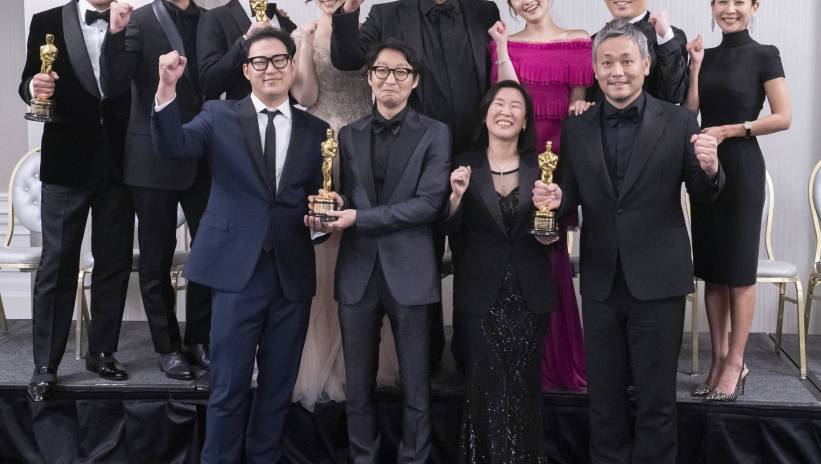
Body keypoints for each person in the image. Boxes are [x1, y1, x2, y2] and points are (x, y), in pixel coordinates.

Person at [534, 19, 724, 464]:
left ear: (646, 64)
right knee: (604, 399)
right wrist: (558, 199)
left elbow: (703, 193)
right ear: (595, 69)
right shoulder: (577, 126)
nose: (616, 71)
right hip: (601, 279)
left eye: (626, 61)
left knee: (657, 400)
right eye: (606, 62)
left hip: (659, 280)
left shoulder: (679, 120)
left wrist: (712, 169)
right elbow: (570, 191)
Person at [151, 28, 330, 463]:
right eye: (259, 62)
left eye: (279, 60)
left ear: (292, 65)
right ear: (246, 71)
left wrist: (326, 214)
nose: (271, 69)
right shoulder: (217, 115)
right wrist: (166, 90)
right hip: (236, 273)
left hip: (291, 273)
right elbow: (174, 146)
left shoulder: (317, 130)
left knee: (277, 388)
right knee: (228, 385)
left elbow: (319, 196)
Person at [330, 0, 501, 368]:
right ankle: (428, 361)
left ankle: (470, 359)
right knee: (420, 264)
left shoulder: (484, 11)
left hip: (476, 159)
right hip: (414, 160)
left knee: (476, 262)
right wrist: (347, 11)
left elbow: (494, 77)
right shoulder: (386, 14)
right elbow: (347, 59)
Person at [307, 39, 450, 464]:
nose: (391, 80)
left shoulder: (436, 132)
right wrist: (333, 205)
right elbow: (346, 195)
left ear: (414, 81)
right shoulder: (348, 135)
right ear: (369, 78)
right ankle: (363, 457)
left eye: (401, 72)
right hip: (357, 271)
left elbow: (429, 205)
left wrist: (359, 218)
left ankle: (414, 458)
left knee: (416, 386)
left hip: (411, 272)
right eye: (382, 71)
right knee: (357, 387)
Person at [21, 0, 134, 403]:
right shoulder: (46, 21)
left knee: (113, 263)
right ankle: (45, 366)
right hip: (66, 163)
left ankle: (101, 353)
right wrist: (34, 87)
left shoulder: (132, 22)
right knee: (57, 265)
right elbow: (26, 81)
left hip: (121, 164)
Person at [289, 0, 399, 411]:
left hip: (366, 141)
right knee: (324, 250)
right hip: (323, 145)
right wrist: (303, 45)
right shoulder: (303, 32)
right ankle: (324, 358)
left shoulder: (370, 30)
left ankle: (364, 357)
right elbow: (305, 95)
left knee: (364, 242)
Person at [443, 80, 556, 463]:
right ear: (485, 114)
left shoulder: (542, 165)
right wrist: (455, 197)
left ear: (525, 121)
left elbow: (551, 233)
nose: (506, 111)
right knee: (483, 390)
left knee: (523, 389)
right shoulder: (464, 164)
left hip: (529, 298)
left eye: (515, 106)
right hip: (479, 296)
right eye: (498, 104)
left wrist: (549, 227)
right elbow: (449, 229)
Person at [685, 0, 791, 401]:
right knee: (712, 269)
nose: (730, 9)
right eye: (721, 2)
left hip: (743, 168)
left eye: (739, 2)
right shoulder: (706, 56)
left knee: (739, 270)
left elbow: (783, 116)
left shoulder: (765, 54)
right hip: (705, 166)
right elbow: (690, 113)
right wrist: (694, 67)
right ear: (712, 7)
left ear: (754, 6)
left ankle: (736, 362)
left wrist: (730, 130)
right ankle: (717, 359)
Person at [101, 0, 211, 380]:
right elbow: (114, 84)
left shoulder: (212, 20)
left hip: (205, 154)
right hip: (150, 156)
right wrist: (116, 33)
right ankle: (167, 347)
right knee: (155, 260)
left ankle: (199, 340)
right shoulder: (139, 20)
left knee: (208, 253)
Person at [488, 0, 593, 392]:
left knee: (552, 259)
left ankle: (558, 361)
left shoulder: (578, 41)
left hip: (559, 166)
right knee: (515, 260)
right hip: (516, 161)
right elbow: (509, 98)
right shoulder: (504, 43)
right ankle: (516, 361)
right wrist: (502, 48)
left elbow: (579, 108)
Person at [589, 0, 689, 104]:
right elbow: (589, 96)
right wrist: (582, 105)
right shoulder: (592, 42)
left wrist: (666, 39)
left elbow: (674, 97)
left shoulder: (670, 37)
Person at [197, 0, 296, 101]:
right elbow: (209, 84)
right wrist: (245, 39)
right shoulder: (214, 17)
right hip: (239, 109)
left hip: (286, 109)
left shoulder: (285, 21)